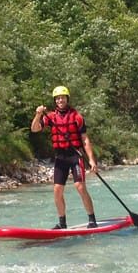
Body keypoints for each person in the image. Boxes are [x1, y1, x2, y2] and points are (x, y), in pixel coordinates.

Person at [31, 85, 99, 229]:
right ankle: (62, 223)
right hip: (60, 158)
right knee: (57, 190)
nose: (60, 100)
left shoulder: (77, 117)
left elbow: (85, 140)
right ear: (55, 101)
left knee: (80, 187)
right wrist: (38, 114)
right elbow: (34, 129)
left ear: (67, 99)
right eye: (57, 98)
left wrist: (92, 160)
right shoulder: (50, 117)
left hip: (75, 156)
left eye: (62, 97)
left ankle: (92, 220)